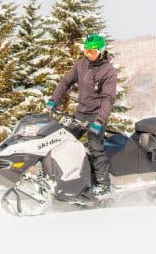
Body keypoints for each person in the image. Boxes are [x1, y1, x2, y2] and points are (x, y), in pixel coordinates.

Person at [46, 34, 119, 196]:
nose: (88, 55)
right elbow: (65, 82)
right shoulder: (81, 65)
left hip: (96, 117)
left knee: (95, 148)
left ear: (101, 51)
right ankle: (62, 178)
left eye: (92, 53)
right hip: (80, 114)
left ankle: (103, 186)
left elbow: (108, 99)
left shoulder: (108, 71)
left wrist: (100, 121)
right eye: (86, 51)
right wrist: (53, 100)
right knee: (62, 141)